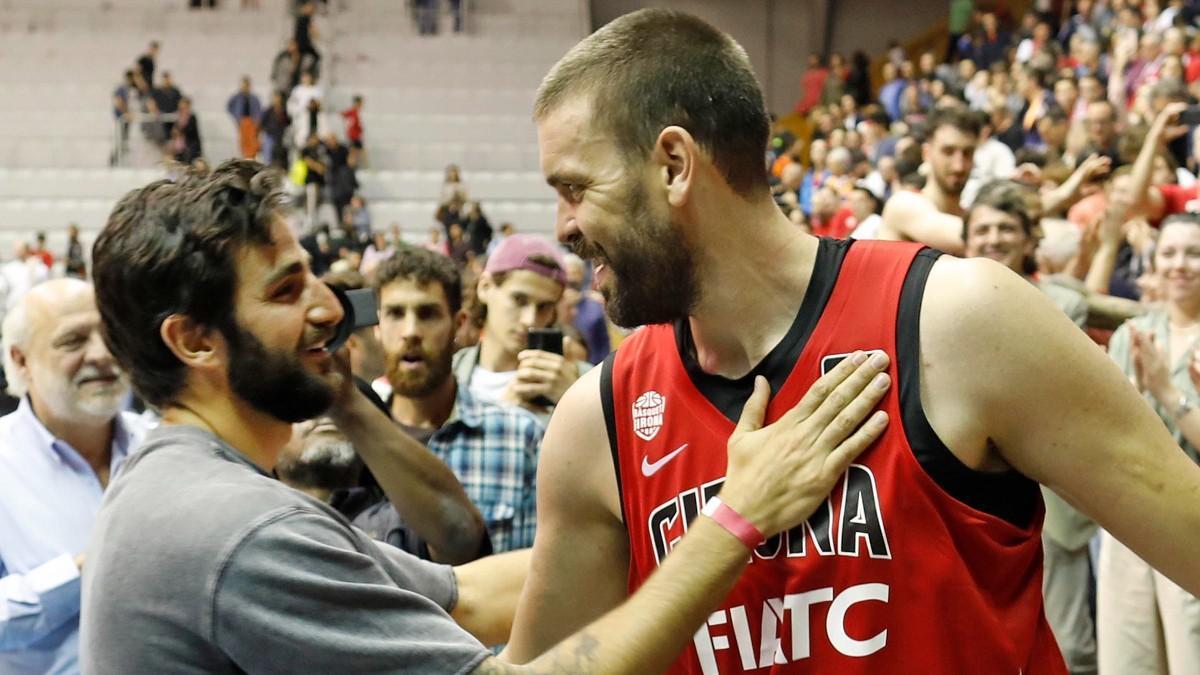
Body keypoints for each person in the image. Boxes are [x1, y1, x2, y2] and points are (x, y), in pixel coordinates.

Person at [504, 9, 1200, 674]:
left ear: (675, 164)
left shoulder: (960, 320)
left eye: (575, 187)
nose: (563, 224)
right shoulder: (596, 422)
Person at [81, 158, 892, 673]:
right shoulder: (239, 531)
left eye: (312, 278)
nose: (332, 310)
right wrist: (734, 520)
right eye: (286, 291)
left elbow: (463, 596)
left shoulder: (179, 486)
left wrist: (669, 503)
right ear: (192, 340)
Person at [961, 181, 1096, 673]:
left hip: (1053, 488)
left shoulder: (1063, 303)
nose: (994, 238)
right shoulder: (939, 300)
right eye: (984, 229)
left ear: (1027, 238)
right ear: (967, 239)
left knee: (1067, 638)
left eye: (1006, 228)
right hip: (966, 489)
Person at [0, 279, 146, 674]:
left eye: (110, 335)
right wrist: (83, 571)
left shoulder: (163, 445)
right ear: (21, 361)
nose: (101, 354)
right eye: (73, 340)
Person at [373, 249, 545, 552]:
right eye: (396, 314)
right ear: (377, 327)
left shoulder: (519, 437)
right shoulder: (354, 437)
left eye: (428, 314)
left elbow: (531, 575)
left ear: (458, 323)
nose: (411, 332)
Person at [1100, 213, 1200, 675]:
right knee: (1128, 656)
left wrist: (1167, 393)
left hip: (1192, 518)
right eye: (1170, 253)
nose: (1181, 264)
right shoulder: (1132, 335)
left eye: (1193, 253)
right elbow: (1108, 434)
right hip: (1131, 521)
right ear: (1155, 262)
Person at [452, 235, 584, 417]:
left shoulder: (582, 382)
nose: (530, 319)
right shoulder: (446, 375)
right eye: (519, 300)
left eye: (544, 306)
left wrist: (577, 404)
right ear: (485, 287)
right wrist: (504, 414)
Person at [879, 106, 976, 253]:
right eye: (948, 152)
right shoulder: (903, 204)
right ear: (927, 153)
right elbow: (967, 235)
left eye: (967, 153)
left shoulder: (969, 217)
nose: (959, 166)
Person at [226, 76, 262, 160]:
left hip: (252, 121)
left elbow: (258, 110)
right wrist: (236, 116)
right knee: (243, 141)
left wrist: (257, 120)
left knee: (252, 141)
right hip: (242, 121)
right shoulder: (237, 97)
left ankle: (251, 156)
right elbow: (229, 106)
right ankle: (245, 156)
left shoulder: (254, 98)